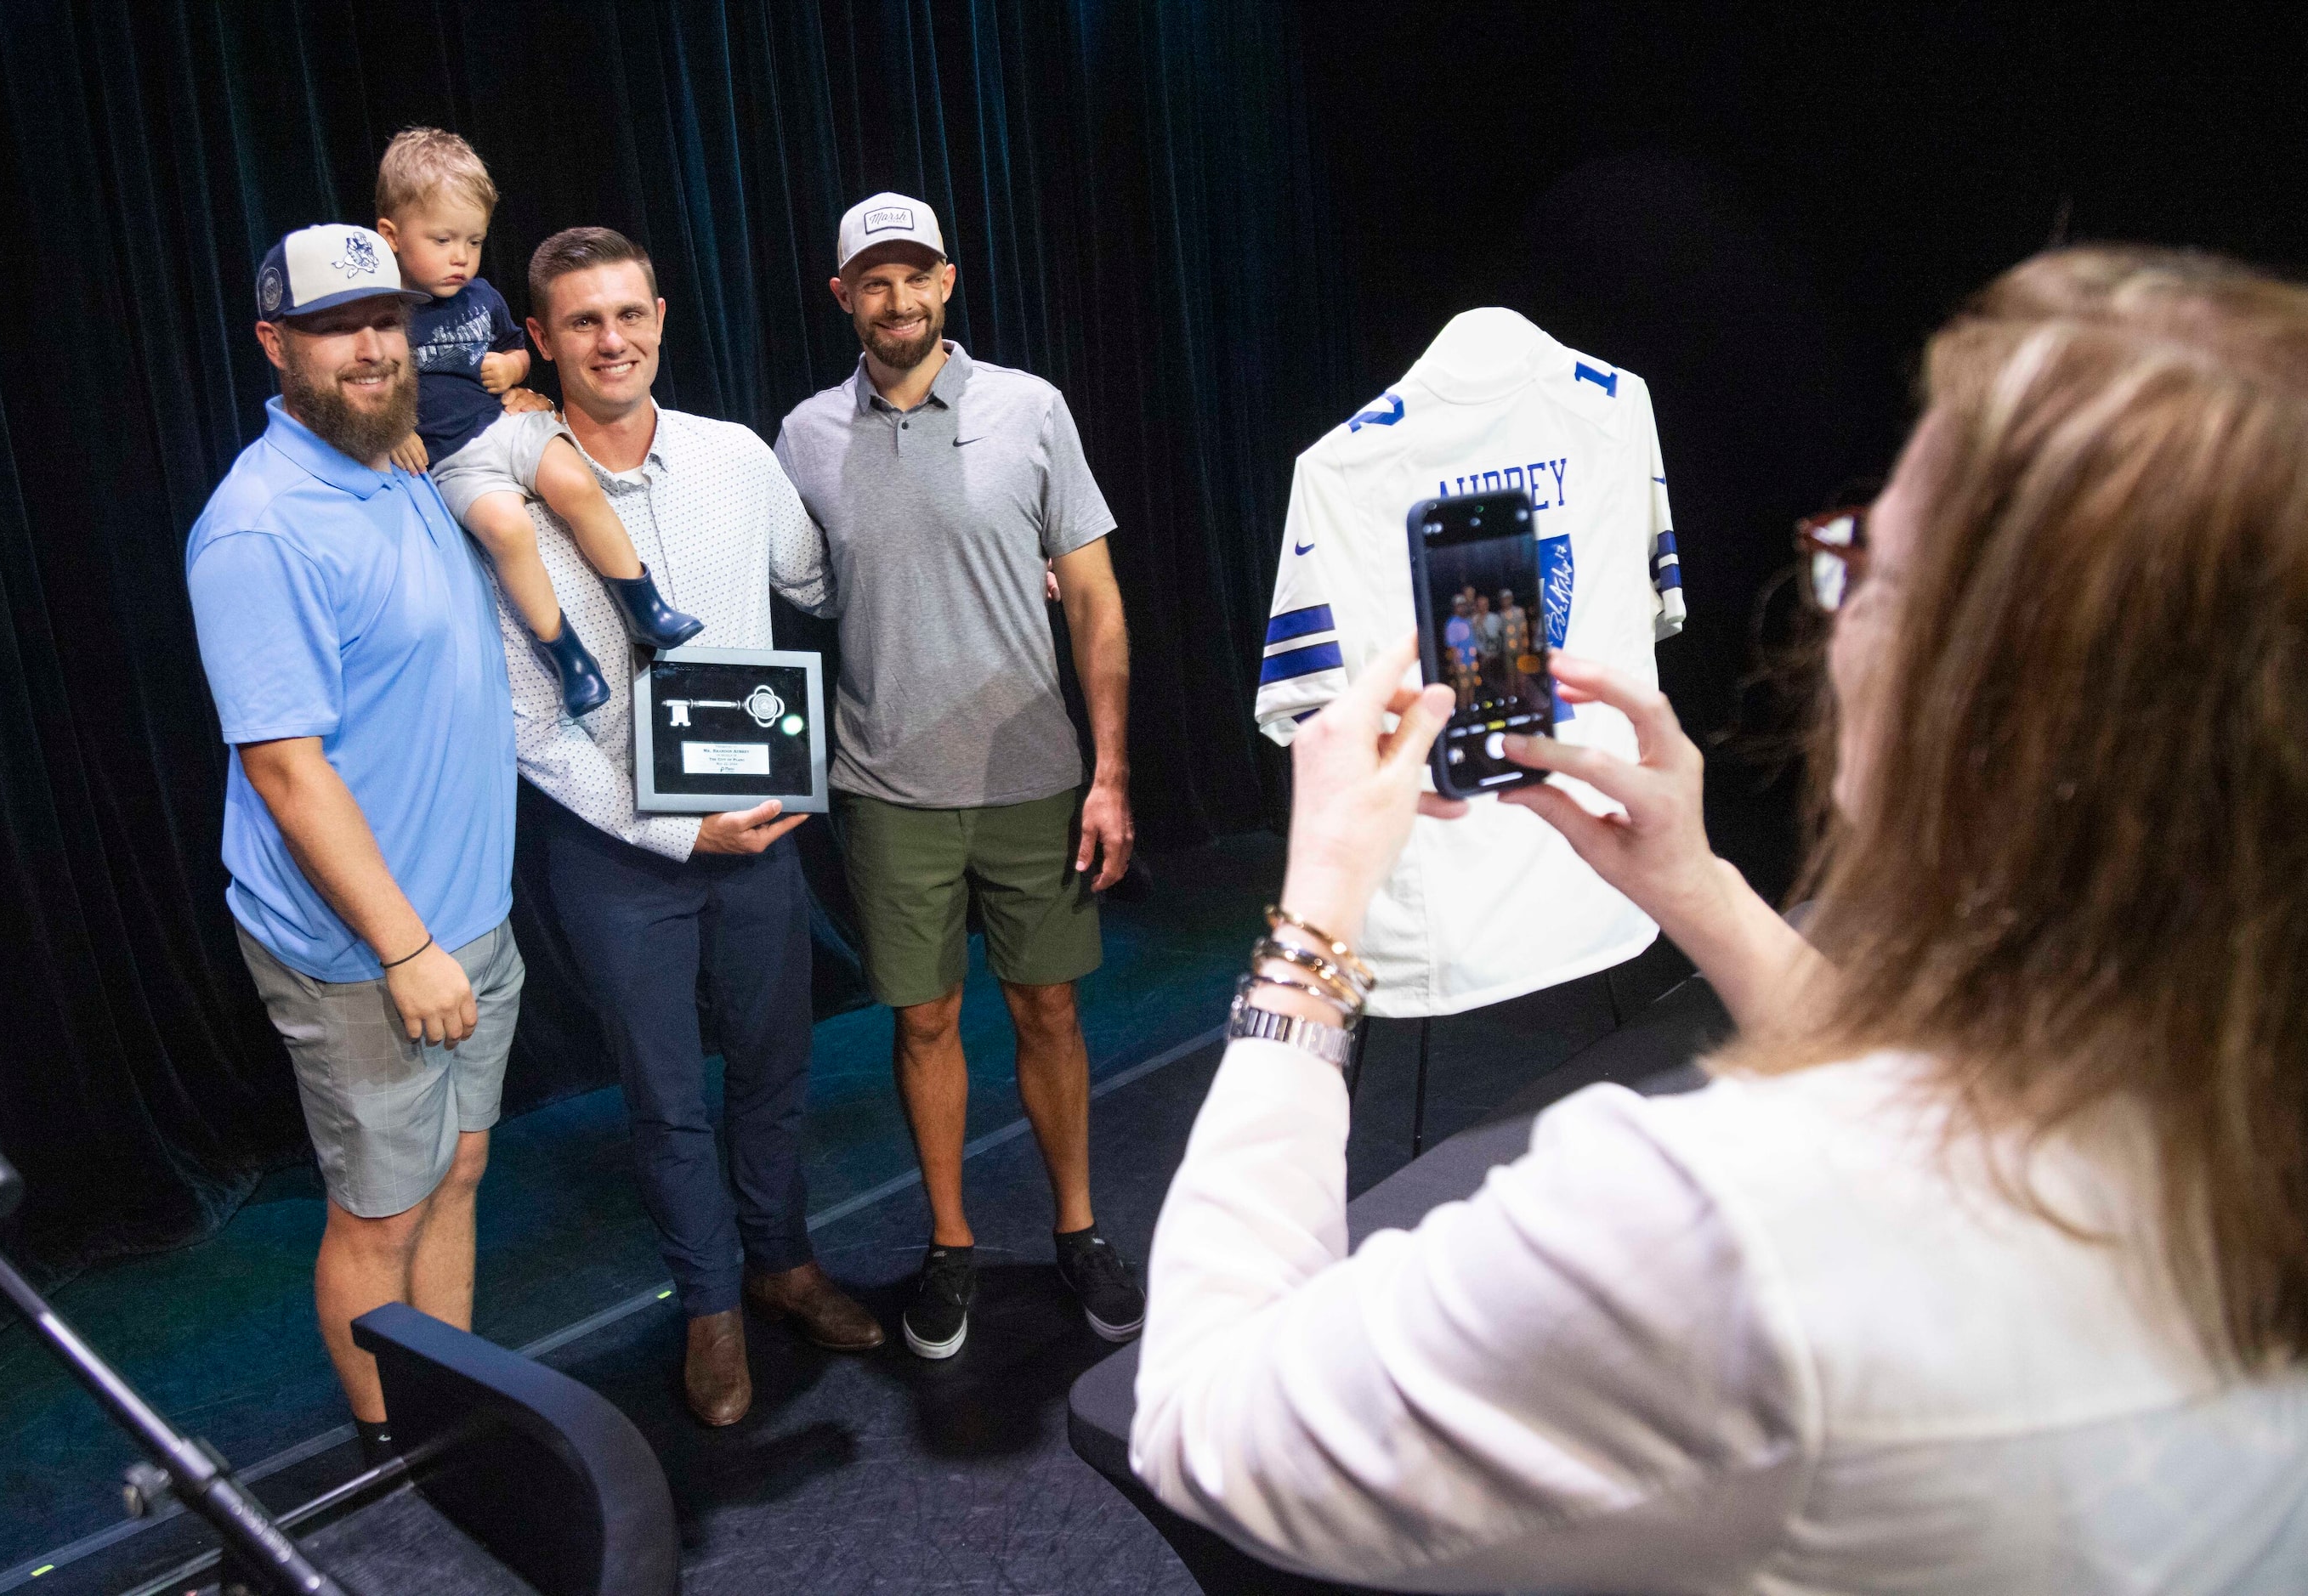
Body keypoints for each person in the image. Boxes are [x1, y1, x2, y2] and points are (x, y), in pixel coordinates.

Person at [1130, 246, 2308, 1590]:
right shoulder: (2222, 1082)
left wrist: (1318, 906)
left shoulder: (1710, 1226)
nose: (1838, 599)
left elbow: (1204, 1421)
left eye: (1865, 564)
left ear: (1986, 704)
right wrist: (1691, 882)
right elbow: (1952, 1112)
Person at [503, 226, 881, 1428]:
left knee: (774, 1066)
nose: (611, 340)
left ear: (661, 317)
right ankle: (712, 1307)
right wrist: (678, 838)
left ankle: (782, 1262)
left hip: (759, 828)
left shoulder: (735, 457)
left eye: (629, 315)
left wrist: (980, 563)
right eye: (582, 322)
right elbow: (531, 726)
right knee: (665, 1096)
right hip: (620, 855)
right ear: (540, 340)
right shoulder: (507, 500)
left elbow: (819, 585)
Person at [774, 192, 1145, 1361]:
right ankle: (950, 1240)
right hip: (889, 785)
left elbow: (1092, 595)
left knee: (1048, 1005)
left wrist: (1112, 771)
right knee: (925, 1020)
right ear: (844, 297)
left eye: (915, 274)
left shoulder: (1030, 409)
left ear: (949, 280)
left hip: (1035, 774)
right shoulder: (802, 438)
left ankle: (1079, 1229)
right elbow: (792, 592)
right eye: (873, 281)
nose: (898, 298)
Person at [186, 224, 523, 1465]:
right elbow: (285, 767)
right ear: (277, 345)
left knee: (460, 1168)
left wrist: (453, 931)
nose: (372, 345)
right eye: (336, 326)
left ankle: (458, 1406)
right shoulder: (262, 525)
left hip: (467, 918)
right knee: (381, 1209)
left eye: (383, 318)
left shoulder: (391, 463)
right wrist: (407, 944)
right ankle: (405, 1453)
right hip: (367, 951)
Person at [371, 127, 700, 719]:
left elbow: (518, 348)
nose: (459, 258)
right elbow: (372, 387)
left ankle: (646, 606)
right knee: (509, 531)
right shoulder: (381, 315)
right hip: (455, 459)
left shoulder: (482, 296)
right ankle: (567, 656)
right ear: (391, 236)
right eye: (442, 239)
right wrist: (394, 428)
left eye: (472, 241)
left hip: (508, 425)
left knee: (577, 485)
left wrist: (513, 364)